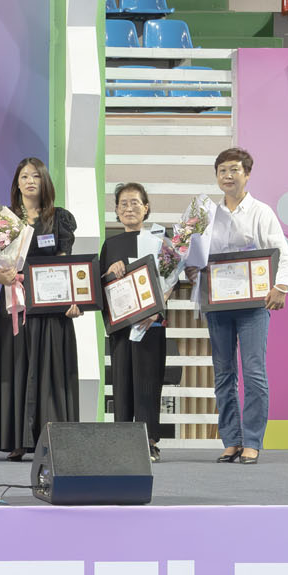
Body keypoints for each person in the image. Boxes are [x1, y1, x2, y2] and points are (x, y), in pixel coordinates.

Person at [201, 147, 288, 464]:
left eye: (234, 170)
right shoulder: (206, 215)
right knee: (223, 374)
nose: (228, 176)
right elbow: (196, 254)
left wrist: (281, 286)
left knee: (254, 373)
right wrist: (191, 267)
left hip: (253, 305)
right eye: (222, 171)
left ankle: (252, 440)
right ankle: (232, 440)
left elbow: (281, 252)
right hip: (217, 304)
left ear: (247, 174)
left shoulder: (261, 212)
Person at [0, 156, 81, 460]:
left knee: (51, 371)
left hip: (51, 306)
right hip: (15, 304)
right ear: (16, 183)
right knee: (17, 368)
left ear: (44, 181)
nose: (30, 181)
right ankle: (17, 439)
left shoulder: (59, 218)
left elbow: (66, 262)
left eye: (35, 176)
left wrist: (73, 299)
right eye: (24, 176)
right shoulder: (3, 220)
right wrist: (1, 276)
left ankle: (51, 440)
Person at [100, 182, 172, 462]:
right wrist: (110, 271)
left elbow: (170, 279)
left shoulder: (159, 240)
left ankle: (149, 441)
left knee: (149, 383)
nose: (129, 208)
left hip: (150, 324)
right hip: (122, 327)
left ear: (146, 208)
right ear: (117, 211)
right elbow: (101, 285)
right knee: (122, 384)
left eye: (135, 203)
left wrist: (157, 308)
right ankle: (122, 441)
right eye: (123, 204)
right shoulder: (111, 244)